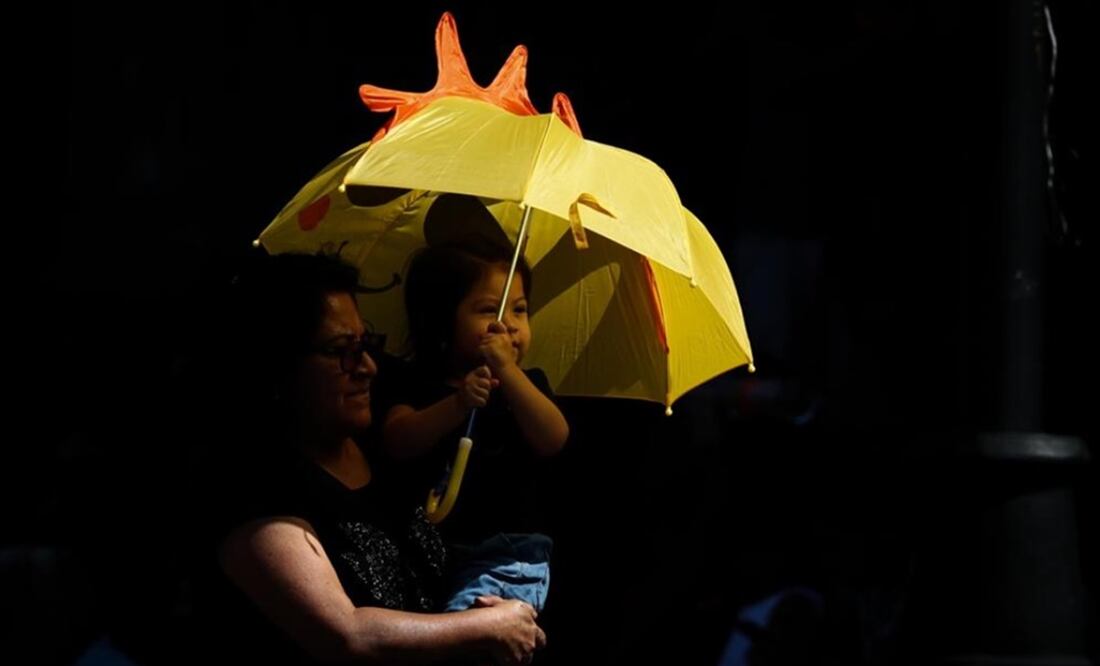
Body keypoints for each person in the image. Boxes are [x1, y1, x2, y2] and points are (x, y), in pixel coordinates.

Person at [196, 251, 545, 665]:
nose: (367, 368)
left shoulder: (379, 452)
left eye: (366, 345)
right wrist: (487, 627)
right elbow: (345, 635)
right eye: (340, 350)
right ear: (276, 365)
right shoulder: (257, 491)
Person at [379, 236, 569, 613]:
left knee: (466, 632)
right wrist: (458, 403)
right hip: (428, 553)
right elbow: (398, 438)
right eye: (489, 310)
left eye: (520, 310)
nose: (510, 327)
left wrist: (507, 371)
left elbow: (554, 436)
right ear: (440, 319)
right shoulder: (413, 381)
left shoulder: (525, 383)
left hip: (506, 558)